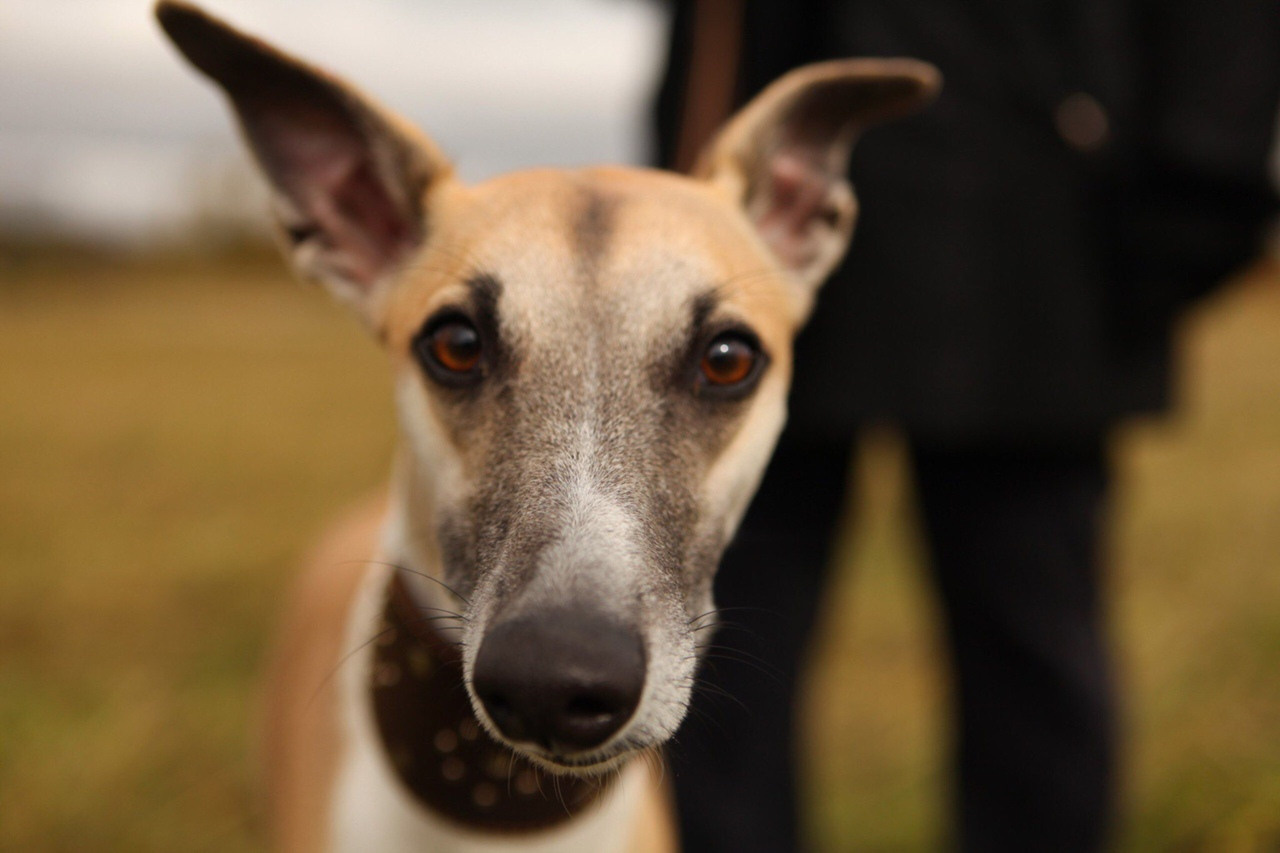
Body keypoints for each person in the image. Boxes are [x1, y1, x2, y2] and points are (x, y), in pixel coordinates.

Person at [653, 1, 1280, 850]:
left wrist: (1204, 175)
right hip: (747, 231)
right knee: (719, 652)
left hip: (1037, 226)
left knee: (1027, 658)